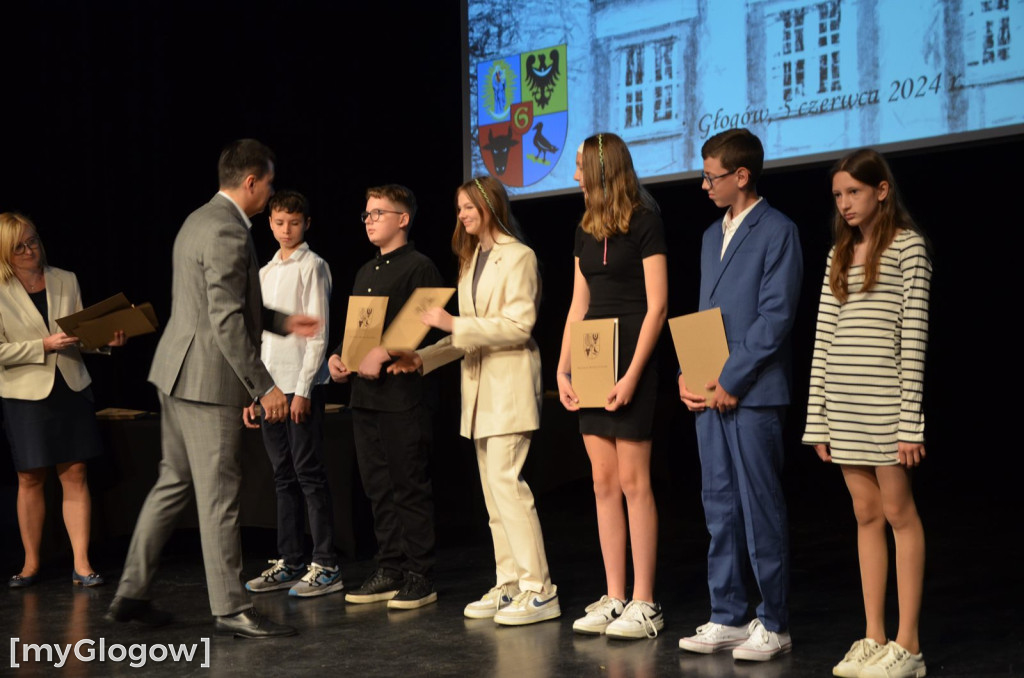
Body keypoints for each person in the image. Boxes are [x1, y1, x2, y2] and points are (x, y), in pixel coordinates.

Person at [107, 139, 317, 638]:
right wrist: (264, 387)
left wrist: (281, 322)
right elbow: (223, 320)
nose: (270, 191)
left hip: (176, 373)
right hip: (206, 381)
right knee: (220, 495)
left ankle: (130, 593)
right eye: (267, 182)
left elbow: (218, 305)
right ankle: (230, 608)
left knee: (172, 484)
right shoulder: (227, 230)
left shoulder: (198, 220)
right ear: (251, 181)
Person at [388, 176, 560, 626]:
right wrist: (421, 359)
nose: (462, 215)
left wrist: (450, 324)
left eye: (469, 206)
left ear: (490, 205)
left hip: (509, 387)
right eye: (459, 207)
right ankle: (509, 584)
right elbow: (464, 332)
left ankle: (539, 589)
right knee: (493, 496)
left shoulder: (519, 256)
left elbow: (518, 326)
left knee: (508, 487)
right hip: (480, 392)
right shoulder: (471, 260)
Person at [803, 149, 930, 678]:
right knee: (865, 515)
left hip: (885, 410)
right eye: (838, 195)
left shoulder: (909, 248)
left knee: (900, 515)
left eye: (854, 191)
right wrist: (818, 419)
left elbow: (913, 340)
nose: (845, 203)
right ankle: (873, 633)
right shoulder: (839, 254)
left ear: (881, 190)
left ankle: (909, 643)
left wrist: (909, 423)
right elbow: (824, 341)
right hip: (845, 406)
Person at [676, 128, 803, 661]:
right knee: (718, 504)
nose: (705, 185)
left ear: (741, 176)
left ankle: (773, 621)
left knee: (758, 506)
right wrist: (692, 373)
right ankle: (727, 613)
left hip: (751, 394)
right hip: (711, 394)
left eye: (712, 177)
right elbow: (708, 317)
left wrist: (731, 379)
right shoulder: (710, 236)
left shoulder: (778, 231)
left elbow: (774, 319)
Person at [556, 133, 668, 639]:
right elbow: (578, 305)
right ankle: (615, 594)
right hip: (594, 355)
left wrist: (632, 376)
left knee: (632, 481)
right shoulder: (583, 229)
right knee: (602, 482)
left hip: (631, 357)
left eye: (580, 168)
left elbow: (658, 305)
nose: (575, 175)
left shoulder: (645, 219)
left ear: (602, 172)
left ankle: (645, 601)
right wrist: (563, 369)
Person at [328, 184, 443, 610]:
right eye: (367, 214)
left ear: (403, 219)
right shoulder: (364, 272)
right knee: (378, 487)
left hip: (402, 396)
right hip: (365, 397)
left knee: (407, 485)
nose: (370, 220)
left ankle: (419, 574)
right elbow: (358, 330)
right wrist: (341, 357)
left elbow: (426, 330)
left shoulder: (420, 267)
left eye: (378, 212)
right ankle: (390, 567)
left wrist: (389, 351)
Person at [0, 212, 125, 589]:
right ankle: (31, 563)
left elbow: (79, 335)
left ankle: (82, 564)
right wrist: (42, 345)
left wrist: (105, 341)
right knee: (30, 477)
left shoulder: (65, 278)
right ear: (5, 252)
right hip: (25, 393)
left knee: (75, 474)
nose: (30, 250)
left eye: (33, 241)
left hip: (70, 386)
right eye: (19, 247)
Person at [242, 190, 341, 598]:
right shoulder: (264, 273)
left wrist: (302, 391)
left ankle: (326, 563)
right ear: (269, 223)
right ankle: (291, 559)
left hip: (301, 387)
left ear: (306, 224)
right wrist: (255, 392)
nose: (286, 230)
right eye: (280, 222)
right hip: (270, 389)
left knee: (309, 475)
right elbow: (260, 338)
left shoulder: (313, 266)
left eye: (294, 223)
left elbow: (317, 333)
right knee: (283, 477)